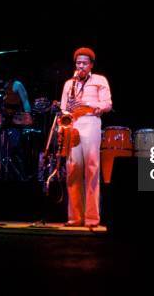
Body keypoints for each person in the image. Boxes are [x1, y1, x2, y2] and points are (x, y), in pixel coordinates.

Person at [60, 47, 112, 227]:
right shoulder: (69, 83)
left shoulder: (100, 80)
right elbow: (64, 107)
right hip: (73, 125)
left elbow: (107, 104)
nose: (80, 66)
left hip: (91, 121)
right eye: (78, 63)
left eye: (84, 63)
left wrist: (88, 103)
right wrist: (66, 116)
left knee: (91, 169)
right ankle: (74, 217)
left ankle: (91, 218)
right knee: (73, 169)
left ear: (91, 65)